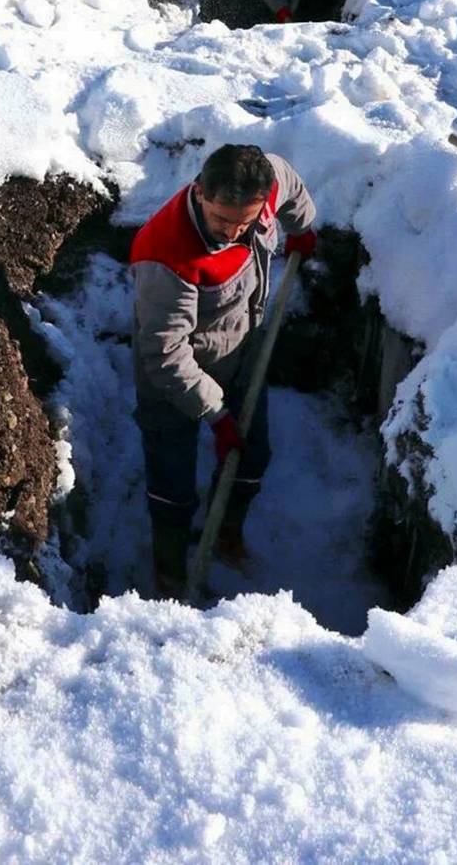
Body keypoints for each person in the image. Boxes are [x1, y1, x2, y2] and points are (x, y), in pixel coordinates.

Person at [131, 143, 318, 597]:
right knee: (172, 479)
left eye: (246, 223)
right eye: (221, 221)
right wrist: (216, 414)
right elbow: (164, 355)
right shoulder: (167, 255)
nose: (234, 233)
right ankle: (171, 571)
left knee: (252, 457)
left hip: (240, 349)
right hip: (173, 376)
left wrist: (303, 227)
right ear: (199, 193)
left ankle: (225, 533)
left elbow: (288, 182)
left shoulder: (266, 185)